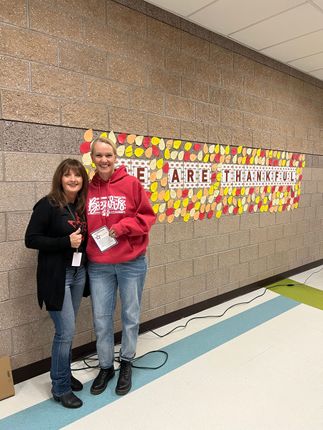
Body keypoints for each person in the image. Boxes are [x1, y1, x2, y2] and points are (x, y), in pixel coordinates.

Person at [87, 137, 156, 396]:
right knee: (101, 320)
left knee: (130, 316)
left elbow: (147, 218)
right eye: (99, 155)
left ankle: (126, 361)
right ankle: (106, 366)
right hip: (99, 266)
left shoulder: (131, 184)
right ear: (92, 158)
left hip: (131, 263)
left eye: (108, 155)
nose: (104, 160)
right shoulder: (88, 189)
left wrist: (121, 228)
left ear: (116, 158)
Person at [25, 159, 89, 409]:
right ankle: (60, 386)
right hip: (57, 276)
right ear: (60, 178)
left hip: (77, 273)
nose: (73, 179)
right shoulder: (48, 205)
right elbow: (31, 239)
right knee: (65, 332)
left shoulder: (80, 206)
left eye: (77, 175)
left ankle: (64, 373)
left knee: (68, 331)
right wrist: (65, 242)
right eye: (68, 175)